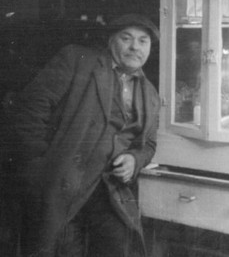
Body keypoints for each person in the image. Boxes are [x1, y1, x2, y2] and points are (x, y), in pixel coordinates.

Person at [12, 14, 161, 257]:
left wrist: (135, 159)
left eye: (143, 41)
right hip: (60, 186)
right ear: (111, 39)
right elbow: (30, 110)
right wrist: (38, 168)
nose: (135, 47)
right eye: (127, 38)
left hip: (110, 192)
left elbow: (150, 143)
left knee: (123, 249)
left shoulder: (150, 93)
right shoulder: (77, 59)